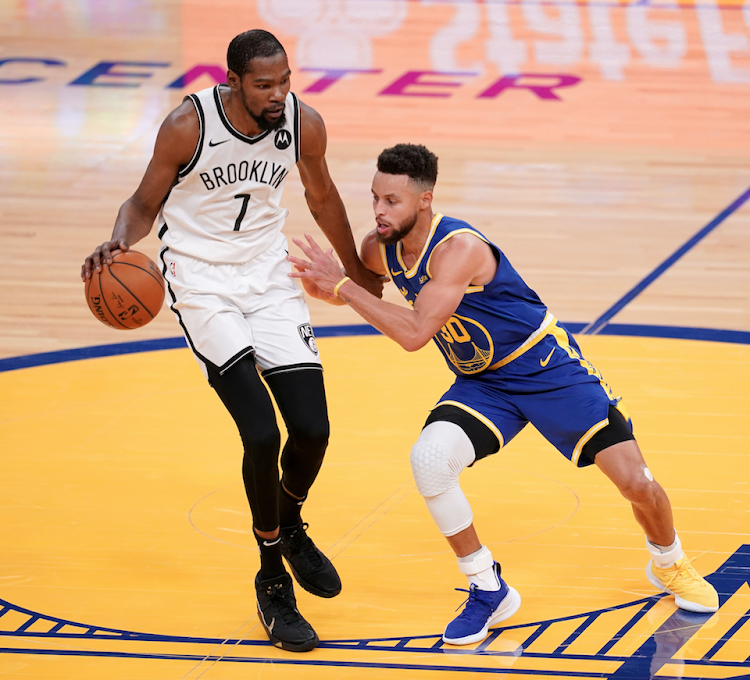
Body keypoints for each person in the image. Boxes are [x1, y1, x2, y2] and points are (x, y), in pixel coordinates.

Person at [288, 143, 719, 646]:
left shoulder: (459, 249)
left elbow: (413, 333)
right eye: (375, 199)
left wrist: (343, 289)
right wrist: (330, 289)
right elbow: (367, 289)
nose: (380, 212)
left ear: (425, 200)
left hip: (547, 371)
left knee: (636, 483)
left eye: (393, 201)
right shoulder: (378, 246)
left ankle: (670, 562)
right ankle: (487, 587)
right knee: (429, 460)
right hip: (484, 383)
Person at [81, 29, 383, 653]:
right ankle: (272, 575)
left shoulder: (303, 122)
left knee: (313, 428)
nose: (279, 94)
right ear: (234, 82)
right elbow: (143, 202)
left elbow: (321, 195)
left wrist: (357, 273)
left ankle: (291, 521)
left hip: (269, 274)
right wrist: (120, 241)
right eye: (264, 85)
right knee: (261, 434)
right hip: (200, 279)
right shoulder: (187, 125)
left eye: (285, 81)